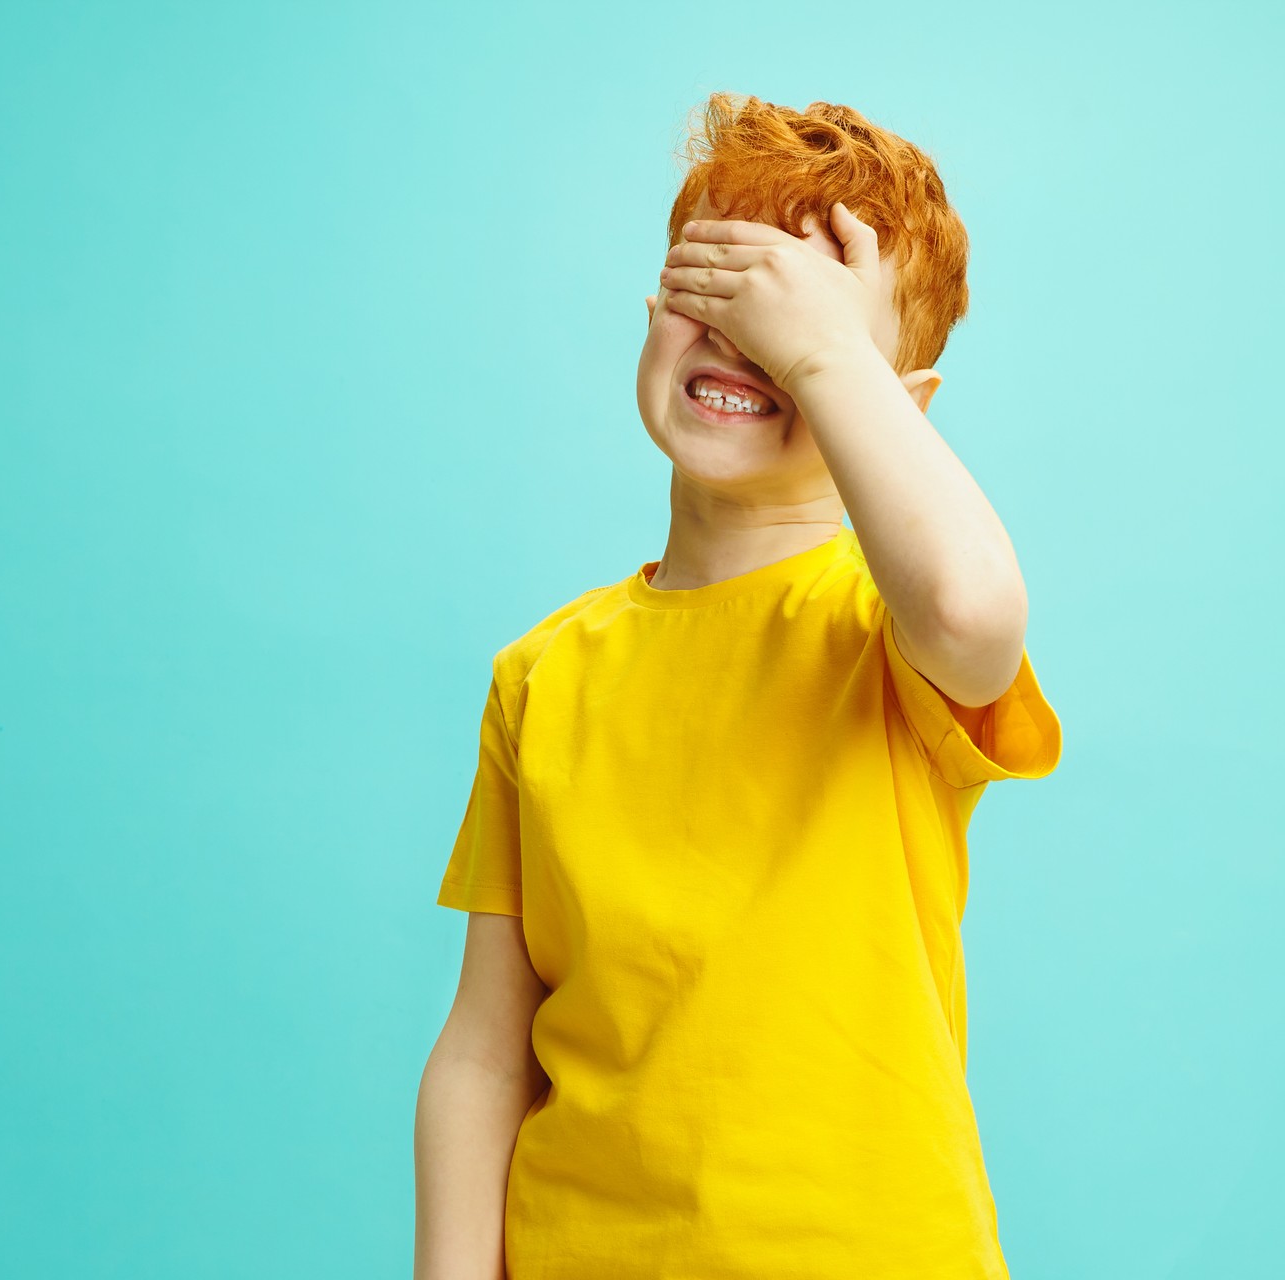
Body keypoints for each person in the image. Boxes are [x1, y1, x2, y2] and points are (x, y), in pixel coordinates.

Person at [413, 91, 1063, 1280]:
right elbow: (484, 1050)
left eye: (800, 322)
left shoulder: (887, 634)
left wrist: (824, 354)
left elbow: (974, 612)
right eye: (715, 290)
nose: (743, 342)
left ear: (897, 403)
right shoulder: (543, 671)